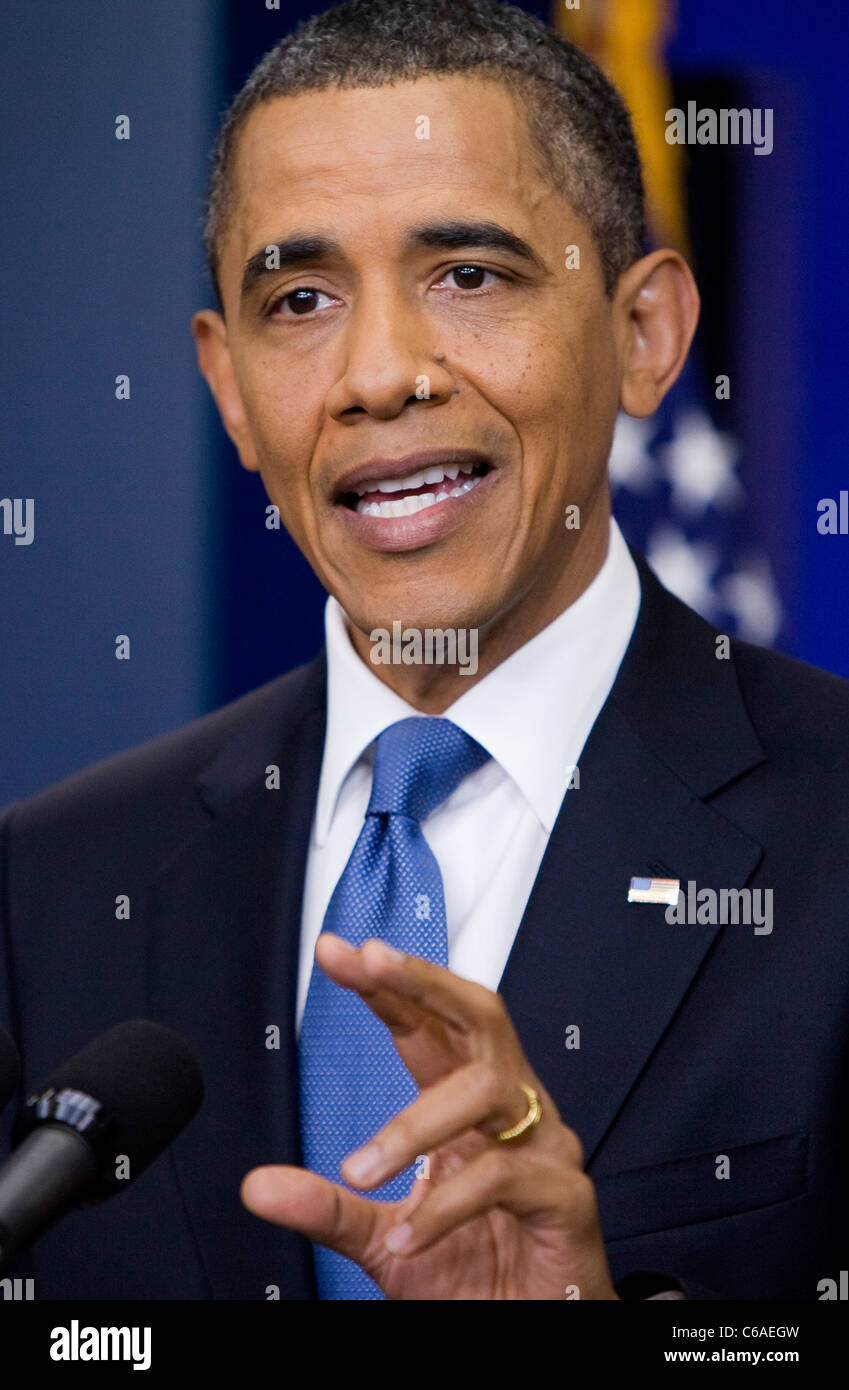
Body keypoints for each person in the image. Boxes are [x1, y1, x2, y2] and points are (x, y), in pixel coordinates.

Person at [1, 0, 846, 1301]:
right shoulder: (52, 881)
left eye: (469, 276)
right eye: (300, 299)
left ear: (644, 333)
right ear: (227, 388)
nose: (379, 371)